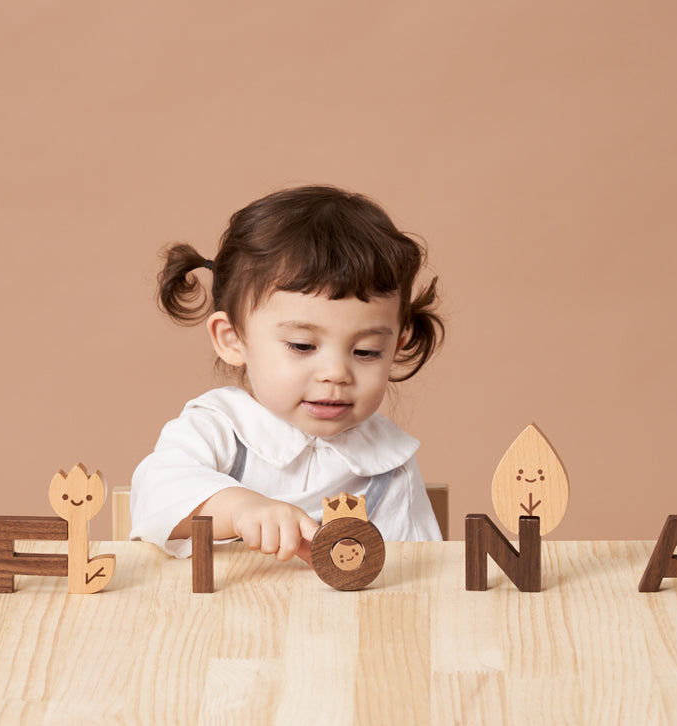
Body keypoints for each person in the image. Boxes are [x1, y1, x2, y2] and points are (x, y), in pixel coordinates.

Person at [130, 185, 444, 562]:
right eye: (302, 346)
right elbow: (156, 494)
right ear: (232, 339)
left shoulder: (388, 463)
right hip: (219, 617)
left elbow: (423, 570)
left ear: (396, 346)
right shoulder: (217, 429)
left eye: (366, 352)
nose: (335, 373)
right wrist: (241, 508)